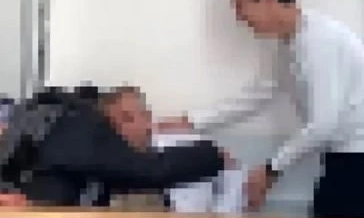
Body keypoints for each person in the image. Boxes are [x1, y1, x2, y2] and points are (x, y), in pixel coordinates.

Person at [158, 0, 364, 218]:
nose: (239, 17)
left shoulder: (318, 41)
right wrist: (189, 121)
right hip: (351, 156)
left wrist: (270, 170)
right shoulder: (289, 44)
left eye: (240, 5)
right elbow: (258, 94)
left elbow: (323, 124)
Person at [0, 85, 235, 206]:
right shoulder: (84, 130)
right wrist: (213, 155)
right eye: (144, 120)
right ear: (122, 118)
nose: (149, 130)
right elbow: (151, 170)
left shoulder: (65, 126)